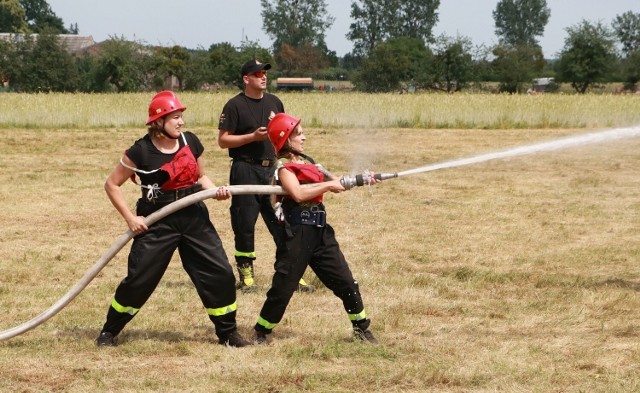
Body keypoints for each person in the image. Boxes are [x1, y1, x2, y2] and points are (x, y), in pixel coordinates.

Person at [96, 91, 251, 348]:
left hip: (193, 216)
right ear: (159, 121)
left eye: (181, 117)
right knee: (139, 278)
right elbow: (112, 184)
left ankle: (228, 333)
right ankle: (109, 331)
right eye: (176, 117)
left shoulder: (190, 141)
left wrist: (216, 192)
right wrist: (131, 219)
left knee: (220, 272)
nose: (181, 122)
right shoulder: (140, 151)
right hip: (158, 219)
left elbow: (201, 177)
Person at [253, 113, 379, 344]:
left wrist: (362, 179)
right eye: (299, 134)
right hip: (298, 233)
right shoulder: (283, 168)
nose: (304, 138)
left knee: (346, 281)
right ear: (286, 140)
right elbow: (298, 194)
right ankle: (262, 331)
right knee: (284, 286)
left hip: (321, 230)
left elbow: (338, 181)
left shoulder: (309, 163)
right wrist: (330, 185)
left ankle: (361, 328)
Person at [218, 59, 315, 293]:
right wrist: (252, 137)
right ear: (246, 79)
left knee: (283, 221)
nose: (263, 77)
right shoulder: (234, 106)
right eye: (258, 73)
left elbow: (287, 134)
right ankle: (246, 274)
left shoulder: (275, 102)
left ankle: (290, 272)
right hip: (245, 168)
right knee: (244, 223)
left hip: (272, 168)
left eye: (265, 73)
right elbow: (223, 141)